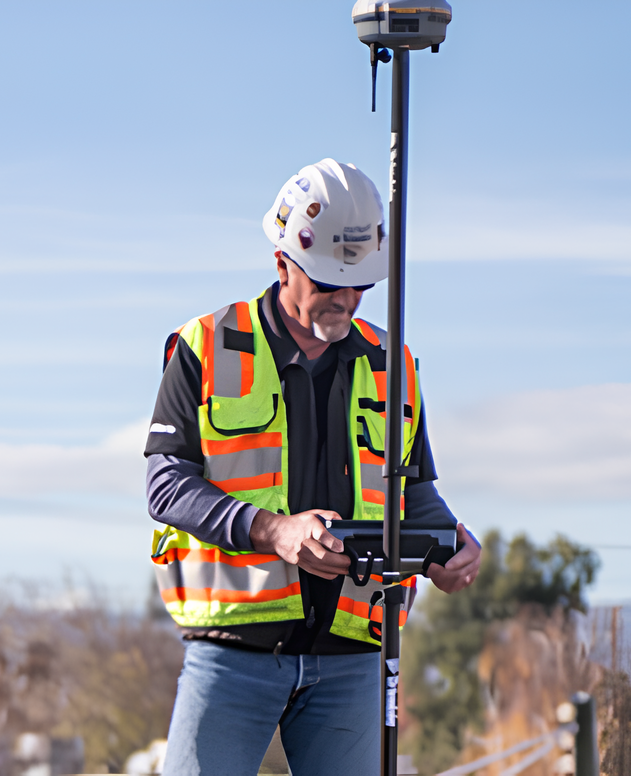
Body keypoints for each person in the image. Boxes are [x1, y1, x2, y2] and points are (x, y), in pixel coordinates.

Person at [144, 158, 483, 775]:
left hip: (355, 657)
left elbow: (415, 493)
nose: (346, 299)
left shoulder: (394, 364)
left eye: (361, 285)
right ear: (283, 265)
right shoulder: (204, 346)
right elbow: (166, 487)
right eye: (329, 283)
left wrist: (449, 544)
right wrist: (276, 531)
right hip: (232, 652)